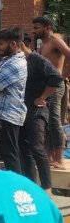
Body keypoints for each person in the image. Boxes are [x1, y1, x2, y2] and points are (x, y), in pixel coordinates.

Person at [19, 37, 62, 190]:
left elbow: (56, 78)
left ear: (20, 44)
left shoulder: (37, 60)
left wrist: (42, 97)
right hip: (22, 112)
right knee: (25, 151)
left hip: (37, 111)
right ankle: (31, 186)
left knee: (37, 148)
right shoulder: (19, 62)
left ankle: (47, 188)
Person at [0, 27, 28, 176]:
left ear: (12, 44)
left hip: (9, 115)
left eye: (0, 44)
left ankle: (17, 188)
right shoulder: (6, 60)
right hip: (1, 114)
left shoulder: (15, 64)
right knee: (6, 153)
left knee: (10, 153)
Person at [33, 16, 69, 169]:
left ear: (47, 27)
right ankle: (49, 157)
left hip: (54, 86)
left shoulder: (55, 41)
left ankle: (59, 159)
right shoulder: (43, 44)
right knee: (46, 122)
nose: (34, 31)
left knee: (54, 121)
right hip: (44, 87)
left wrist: (63, 75)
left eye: (37, 28)